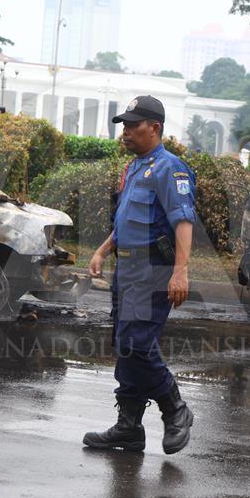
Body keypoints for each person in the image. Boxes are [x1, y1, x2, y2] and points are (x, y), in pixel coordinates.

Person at [82, 95, 196, 454]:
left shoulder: (170, 169)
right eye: (125, 125)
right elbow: (128, 221)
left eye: (134, 125)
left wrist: (180, 271)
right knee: (124, 346)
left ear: (155, 128)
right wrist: (103, 250)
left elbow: (182, 221)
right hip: (126, 270)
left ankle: (174, 408)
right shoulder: (134, 168)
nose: (126, 131)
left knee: (136, 345)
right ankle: (129, 427)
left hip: (154, 270)